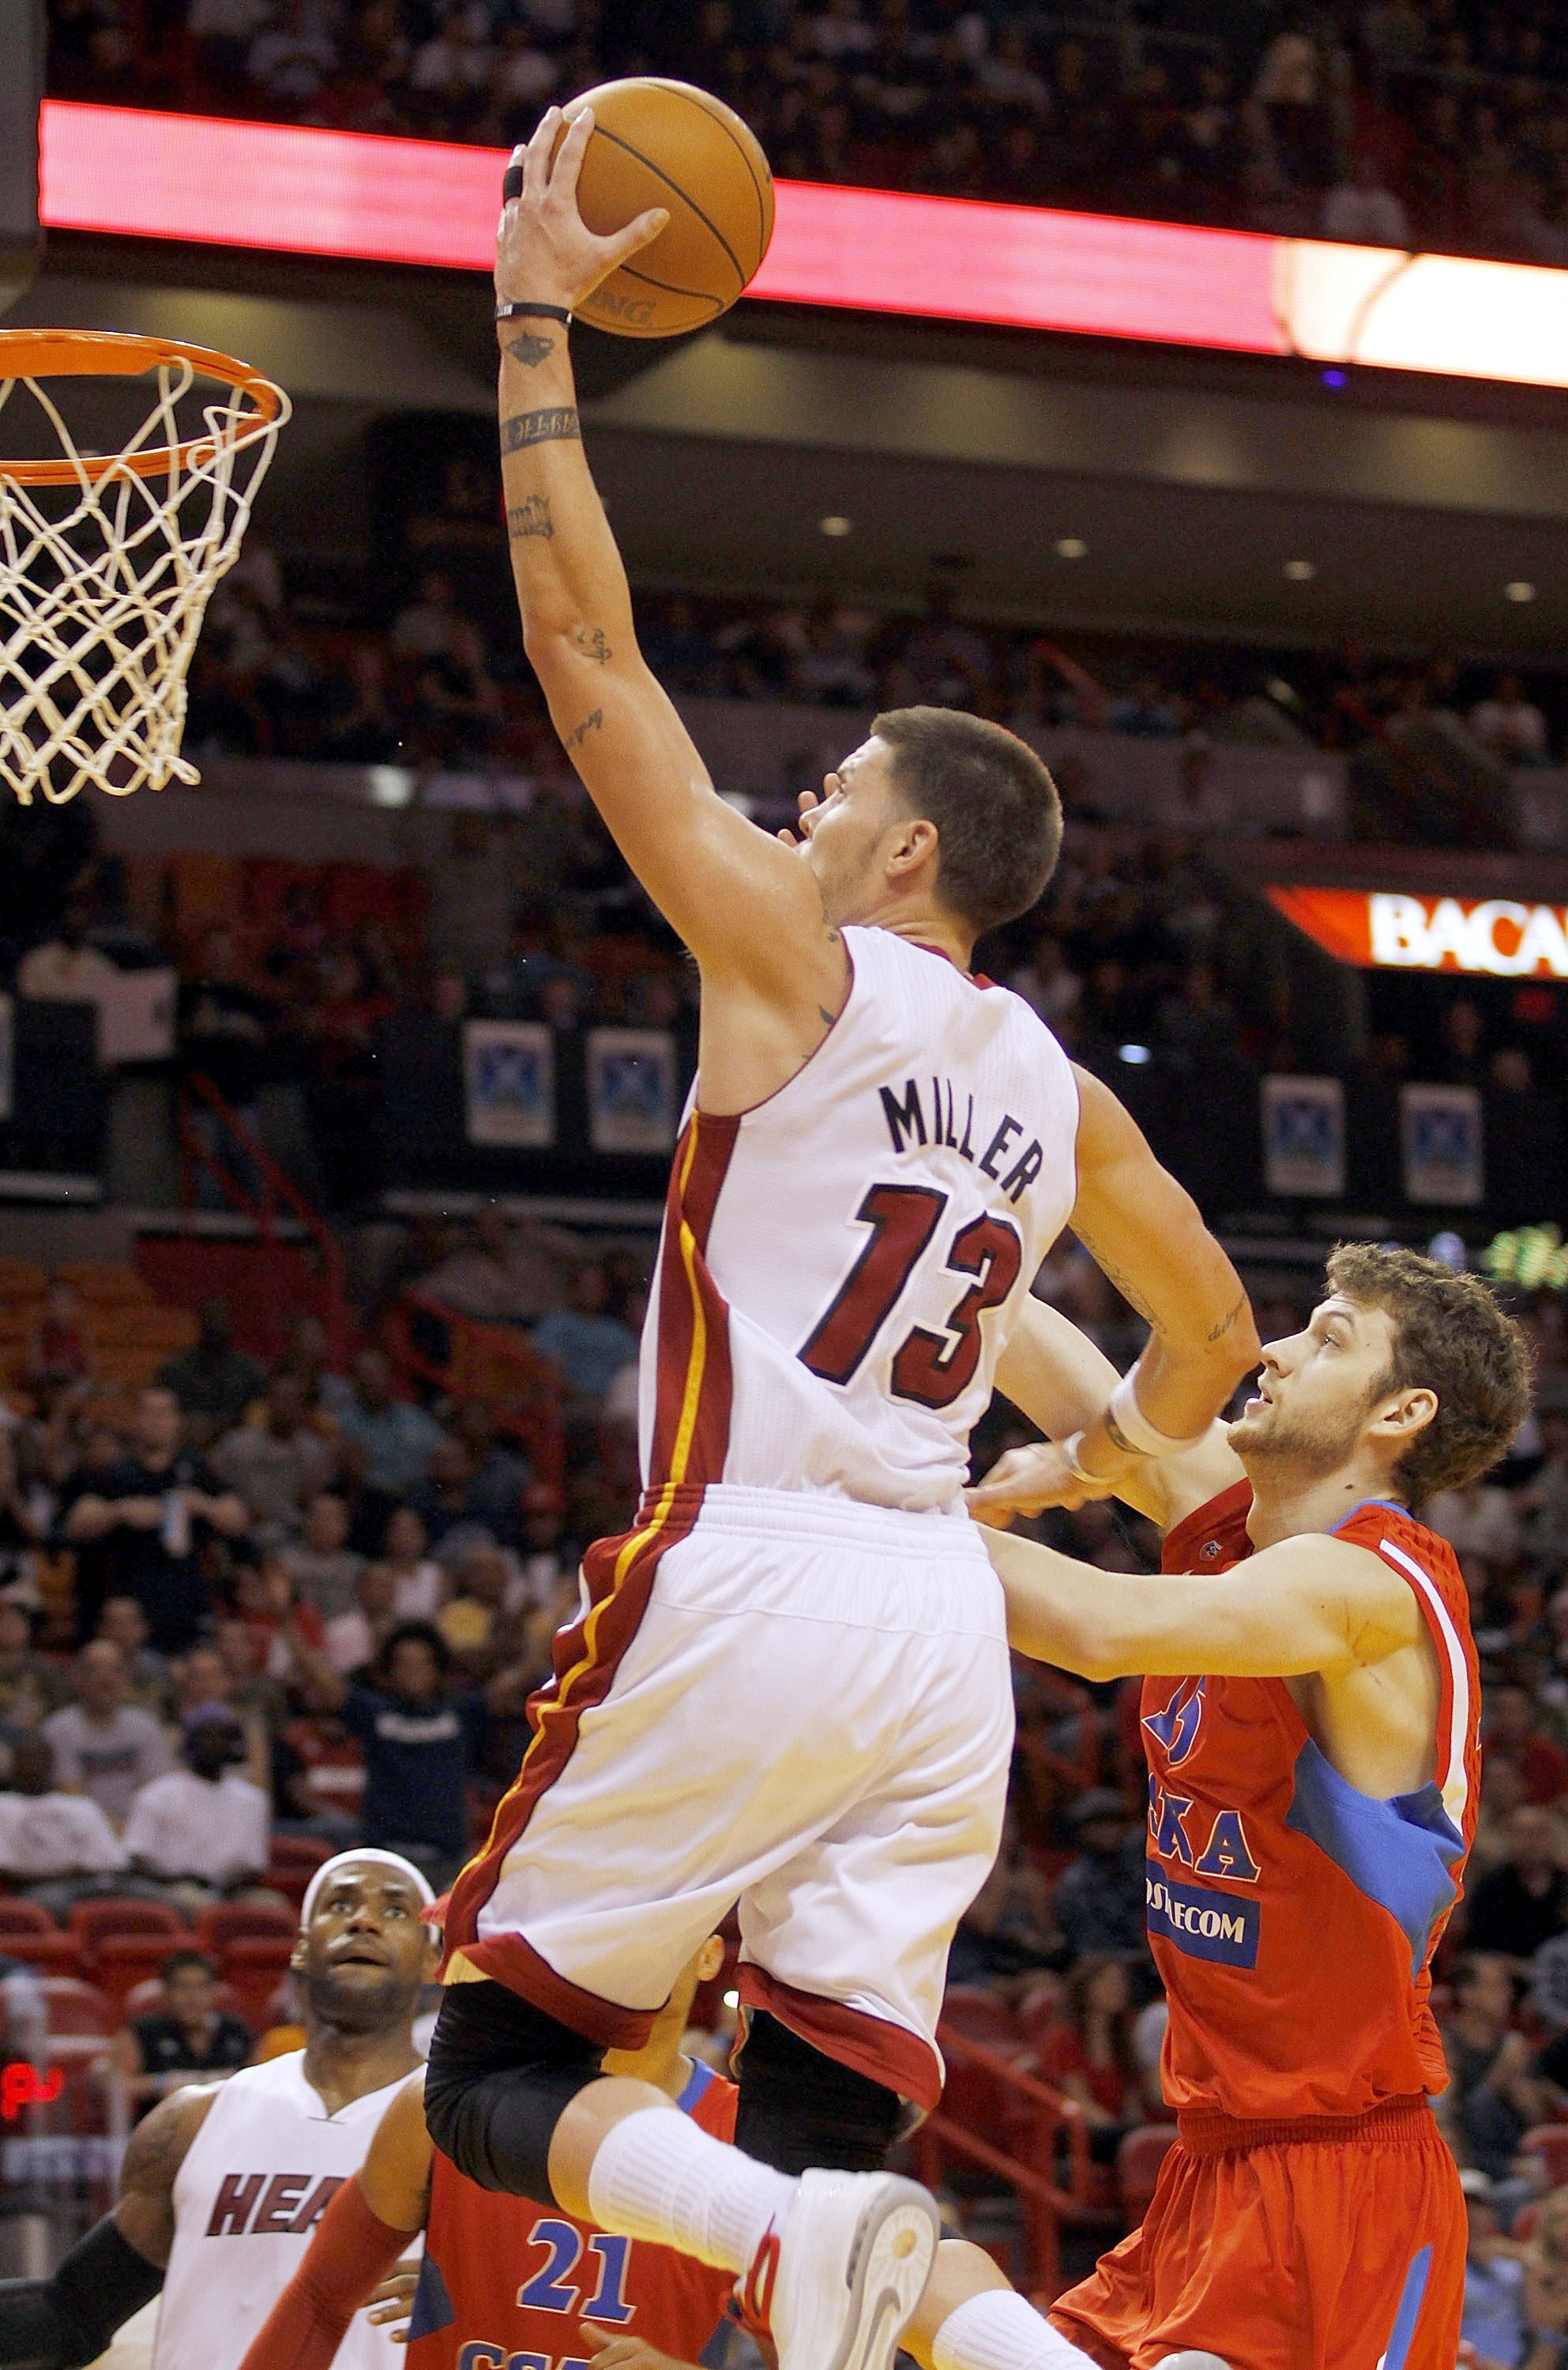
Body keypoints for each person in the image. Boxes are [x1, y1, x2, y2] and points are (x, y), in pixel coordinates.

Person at [413, 107, 1259, 2370]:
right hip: (938, 1638)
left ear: (902, 862)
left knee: (491, 2077)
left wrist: (531, 322)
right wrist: (1081, 1469)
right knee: (820, 2148)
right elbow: (1212, 1330)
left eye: (838, 791)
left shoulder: (798, 952)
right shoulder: (1063, 1097)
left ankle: (793, 2258)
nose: (802, 806)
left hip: (764, 1558)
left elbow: (589, 664)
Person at [953, 1242, 1531, 2369]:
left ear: (1401, 1410)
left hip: (1349, 2182)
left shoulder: (1364, 1590)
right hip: (1210, 2159)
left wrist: (837, 1509)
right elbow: (1071, 1377)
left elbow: (1097, 1630)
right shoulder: (1248, 1521)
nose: (1273, 1348)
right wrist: (941, 1222)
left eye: (1328, 1338)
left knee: (955, 2305)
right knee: (955, 2303)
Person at [0, 1851, 436, 2370]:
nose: (363, 1920)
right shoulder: (191, 2122)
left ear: (434, 1958)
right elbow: (71, 2312)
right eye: (339, 1904)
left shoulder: (464, 2131)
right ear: (300, 1947)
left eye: (393, 1912)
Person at [230, 1936, 735, 2370]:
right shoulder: (444, 2102)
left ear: (710, 1954)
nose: (638, 1943)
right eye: (617, 1920)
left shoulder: (750, 2135)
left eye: (667, 1923)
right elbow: (319, 2299)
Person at [64, 1386, 249, 1652]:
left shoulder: (195, 1470)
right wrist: (120, 1511)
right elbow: (77, 1522)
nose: (155, 1421)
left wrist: (203, 1506)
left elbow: (238, 1519)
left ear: (177, 1422)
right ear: (136, 1420)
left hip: (185, 1603)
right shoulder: (118, 1473)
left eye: (163, 1414)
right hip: (131, 1605)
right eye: (148, 1413)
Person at [122, 1712, 271, 1905]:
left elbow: (254, 1866)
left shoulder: (253, 1799)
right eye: (207, 1737)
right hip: (172, 1888)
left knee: (272, 1906)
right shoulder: (157, 1794)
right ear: (191, 1742)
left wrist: (224, 1885)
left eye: (223, 1737)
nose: (215, 1744)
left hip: (233, 1890)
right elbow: (137, 1859)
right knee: (195, 1901)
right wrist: (182, 1879)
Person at [43, 1639, 171, 1828]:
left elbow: (156, 1794)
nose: (107, 1679)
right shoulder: (58, 1729)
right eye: (95, 1670)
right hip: (79, 1834)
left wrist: (135, 1832)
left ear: (127, 1678)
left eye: (116, 1670)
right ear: (77, 1678)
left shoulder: (145, 1726)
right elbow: (71, 1798)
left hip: (140, 1833)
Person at [111, 1948, 254, 2111]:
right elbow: (117, 2086)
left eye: (202, 1987)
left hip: (224, 2127)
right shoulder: (143, 2032)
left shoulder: (236, 2031)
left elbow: (260, 2084)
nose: (192, 1997)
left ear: (214, 1992)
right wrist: (160, 2084)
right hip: (161, 2129)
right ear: (166, 1991)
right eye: (182, 1987)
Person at [0, 1734, 126, 1913]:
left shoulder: (82, 1806)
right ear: (13, 1766)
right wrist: (70, 1872)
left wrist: (77, 1873)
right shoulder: (4, 1806)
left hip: (97, 1886)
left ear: (52, 1765)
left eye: (38, 1760)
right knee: (56, 1904)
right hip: (33, 1892)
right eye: (26, 1760)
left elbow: (114, 1863)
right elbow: (7, 1873)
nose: (32, 1767)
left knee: (152, 1901)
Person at [210, 1371, 333, 1547]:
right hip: (242, 1536)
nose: (284, 1406)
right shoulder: (237, 1444)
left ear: (302, 1406)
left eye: (291, 1400)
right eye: (279, 1398)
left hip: (297, 1540)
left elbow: (314, 1504)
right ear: (267, 1403)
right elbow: (211, 1481)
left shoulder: (314, 1451)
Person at [156, 1300, 267, 1440]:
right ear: (201, 1324)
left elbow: (259, 1416)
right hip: (183, 1441)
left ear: (231, 1324)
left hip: (236, 1442)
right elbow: (160, 1409)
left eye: (221, 1321)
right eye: (211, 1320)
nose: (216, 1327)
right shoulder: (176, 1368)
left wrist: (229, 1424)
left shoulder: (248, 1371)